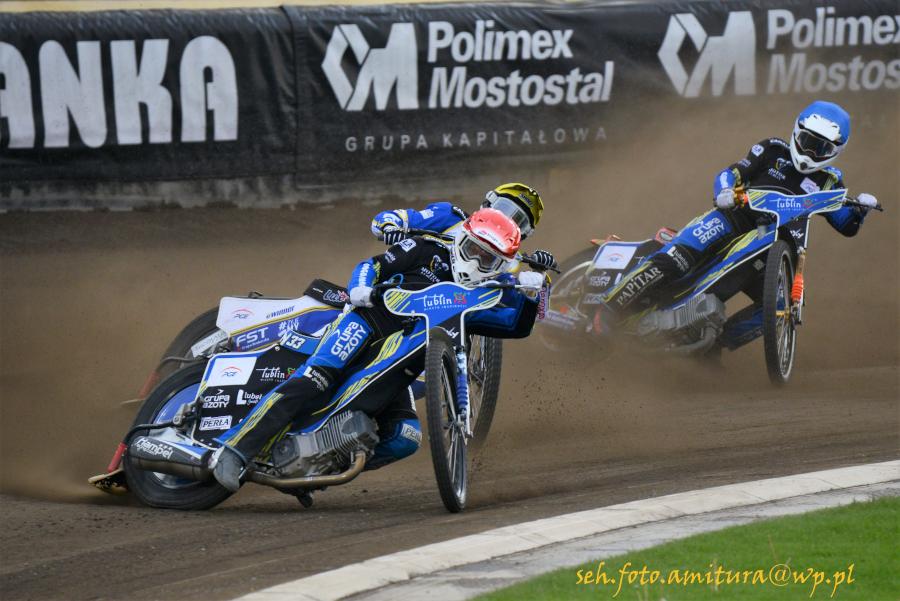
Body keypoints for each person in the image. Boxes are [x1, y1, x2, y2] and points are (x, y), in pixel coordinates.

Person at [209, 209, 553, 491]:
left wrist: (533, 294)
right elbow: (372, 266)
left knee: (405, 437)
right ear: (464, 238)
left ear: (502, 263)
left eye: (489, 259)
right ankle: (234, 449)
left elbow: (517, 326)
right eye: (475, 250)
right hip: (367, 322)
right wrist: (360, 290)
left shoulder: (485, 292)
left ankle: (312, 470)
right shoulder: (427, 247)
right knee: (316, 378)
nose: (478, 262)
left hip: (403, 359)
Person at [600, 100, 879, 322]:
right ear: (797, 131)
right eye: (807, 141)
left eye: (822, 148)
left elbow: (846, 225)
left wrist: (860, 211)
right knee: (678, 258)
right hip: (732, 218)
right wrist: (724, 191)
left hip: (770, 248)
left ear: (836, 151)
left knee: (780, 306)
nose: (811, 152)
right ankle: (607, 310)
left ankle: (716, 344)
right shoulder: (773, 149)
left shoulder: (830, 181)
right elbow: (731, 173)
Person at [370, 182, 556, 271]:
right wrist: (391, 228)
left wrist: (540, 274)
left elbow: (533, 315)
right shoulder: (449, 216)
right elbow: (385, 219)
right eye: (503, 209)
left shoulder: (512, 262)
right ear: (487, 203)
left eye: (518, 221)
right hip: (406, 288)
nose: (506, 220)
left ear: (525, 234)